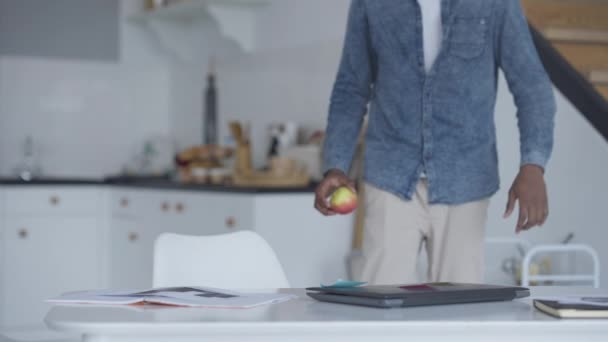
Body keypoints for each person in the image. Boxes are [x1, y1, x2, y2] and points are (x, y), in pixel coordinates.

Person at [314, 0, 556, 284]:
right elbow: (350, 88)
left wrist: (533, 164)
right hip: (390, 175)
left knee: (459, 318)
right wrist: (335, 165)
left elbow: (532, 85)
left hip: (466, 181)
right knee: (380, 312)